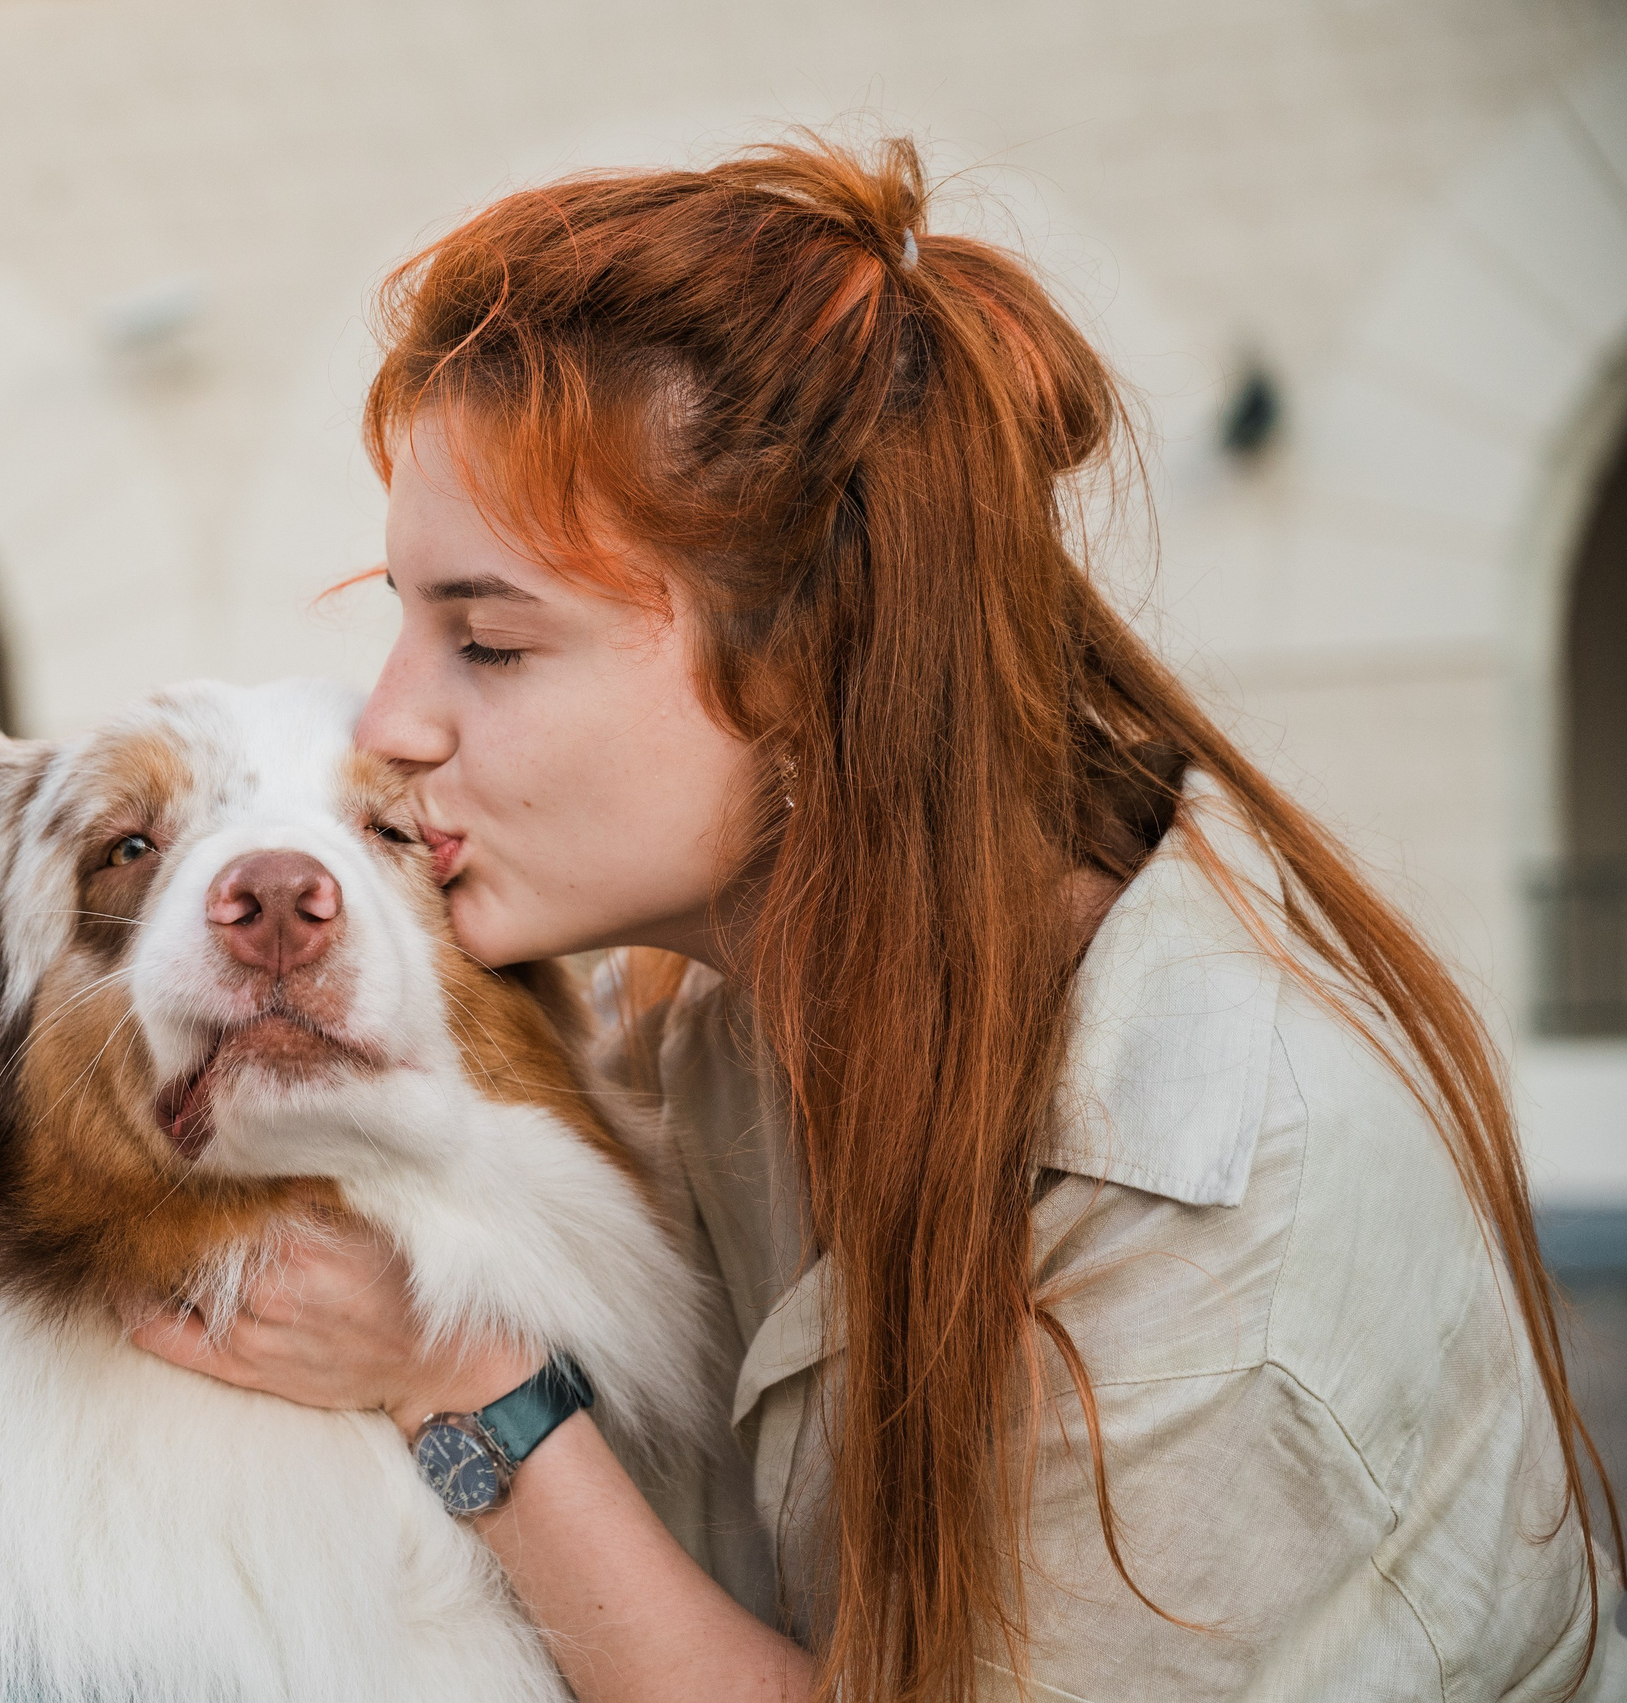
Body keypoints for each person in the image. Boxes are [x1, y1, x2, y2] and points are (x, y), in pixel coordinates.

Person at [128, 135, 1623, 1700]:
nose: (392, 721)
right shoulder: (712, 1032)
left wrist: (465, 1385)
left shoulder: (1218, 1219)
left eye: (487, 645)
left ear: (803, 672)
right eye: (403, 623)